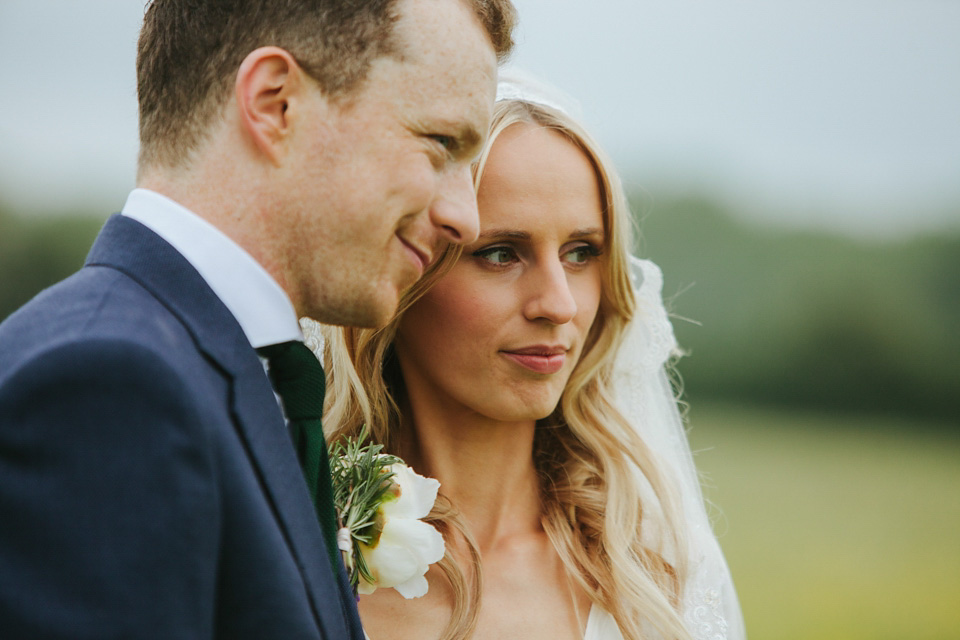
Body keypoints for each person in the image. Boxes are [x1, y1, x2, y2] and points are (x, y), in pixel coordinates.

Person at [0, 0, 515, 637]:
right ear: (276, 105)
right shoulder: (105, 387)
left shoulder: (242, 375)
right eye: (440, 143)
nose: (465, 217)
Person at [312, 71, 745, 639]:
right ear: (401, 270)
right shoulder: (298, 553)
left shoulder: (660, 576)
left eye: (581, 253)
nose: (559, 305)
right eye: (499, 253)